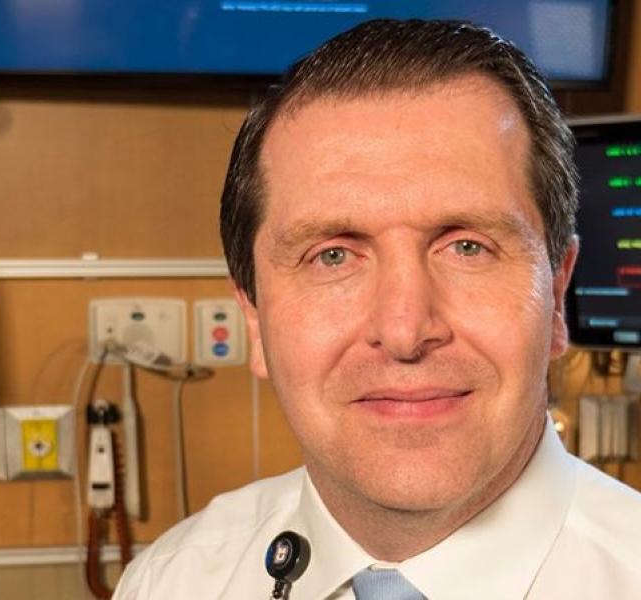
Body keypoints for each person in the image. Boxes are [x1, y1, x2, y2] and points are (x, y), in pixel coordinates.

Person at [114, 19, 641, 599]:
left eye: (468, 247)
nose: (404, 331)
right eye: (332, 256)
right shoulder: (170, 582)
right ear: (255, 320)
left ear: (558, 295)